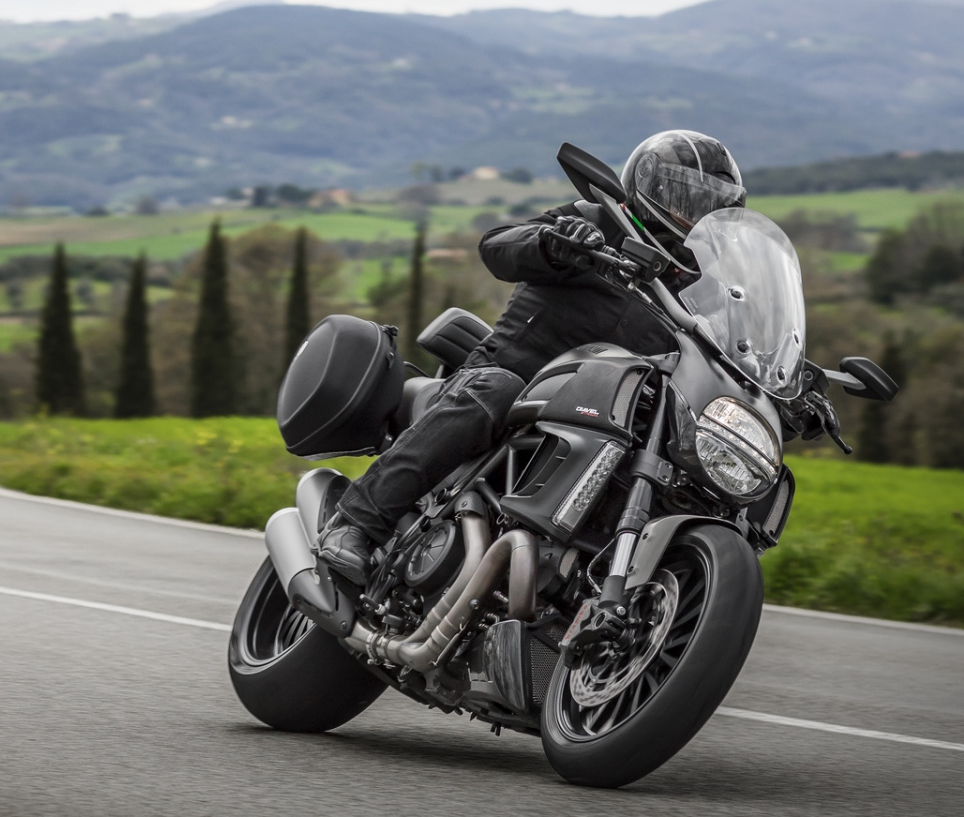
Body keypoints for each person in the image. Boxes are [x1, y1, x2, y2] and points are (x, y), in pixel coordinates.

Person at [318, 130, 750, 584]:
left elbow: (736, 348)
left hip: (609, 413)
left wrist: (790, 382)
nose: (694, 210)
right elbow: (498, 246)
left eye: (709, 203)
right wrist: (553, 243)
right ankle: (355, 524)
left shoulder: (704, 288)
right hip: (519, 373)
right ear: (650, 187)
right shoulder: (597, 221)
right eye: (684, 194)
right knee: (495, 389)